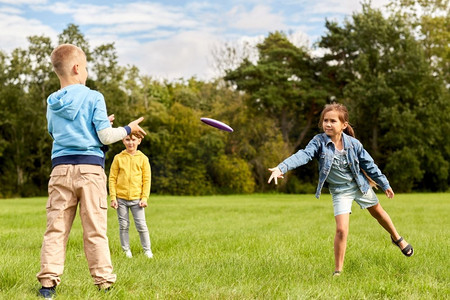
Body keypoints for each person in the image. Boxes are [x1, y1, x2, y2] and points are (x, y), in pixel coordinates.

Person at [37, 43, 146, 299]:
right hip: (90, 172)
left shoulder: (53, 102)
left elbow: (55, 133)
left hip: (60, 170)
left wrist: (90, 128)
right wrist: (127, 129)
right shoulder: (93, 96)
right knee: (95, 229)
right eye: (84, 67)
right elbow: (106, 137)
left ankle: (47, 286)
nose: (85, 71)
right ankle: (104, 283)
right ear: (77, 68)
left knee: (56, 229)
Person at [268, 103, 413, 276]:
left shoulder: (354, 144)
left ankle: (397, 238)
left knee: (379, 214)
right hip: (340, 191)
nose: (328, 124)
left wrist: (384, 184)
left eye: (332, 121)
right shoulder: (318, 142)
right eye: (325, 120)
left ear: (343, 125)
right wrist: (281, 167)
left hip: (359, 185)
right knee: (341, 230)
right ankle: (338, 271)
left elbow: (370, 165)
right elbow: (304, 155)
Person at [108, 133, 153, 259]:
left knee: (141, 226)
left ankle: (147, 250)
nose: (130, 143)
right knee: (123, 225)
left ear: (139, 141)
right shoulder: (118, 158)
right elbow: (112, 178)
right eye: (127, 140)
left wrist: (144, 198)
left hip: (137, 200)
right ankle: (126, 250)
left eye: (133, 140)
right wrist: (113, 197)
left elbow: (146, 180)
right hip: (120, 199)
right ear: (123, 140)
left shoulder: (143, 158)